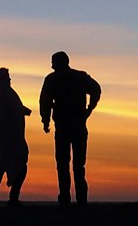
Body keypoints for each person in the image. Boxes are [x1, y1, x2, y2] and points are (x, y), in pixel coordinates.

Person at [39, 51, 101, 204]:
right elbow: (96, 89)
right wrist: (89, 109)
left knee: (64, 164)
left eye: (53, 62)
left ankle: (67, 198)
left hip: (67, 126)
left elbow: (44, 101)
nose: (51, 65)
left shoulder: (53, 79)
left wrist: (45, 121)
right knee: (76, 165)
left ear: (59, 63)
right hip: (74, 125)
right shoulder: (78, 77)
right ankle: (77, 199)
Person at [0, 67, 31, 205]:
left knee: (2, 167)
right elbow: (2, 116)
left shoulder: (2, 93)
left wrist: (21, 111)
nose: (10, 79)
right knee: (17, 167)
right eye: (7, 77)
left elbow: (9, 110)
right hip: (8, 139)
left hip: (9, 138)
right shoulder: (1, 93)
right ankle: (9, 199)